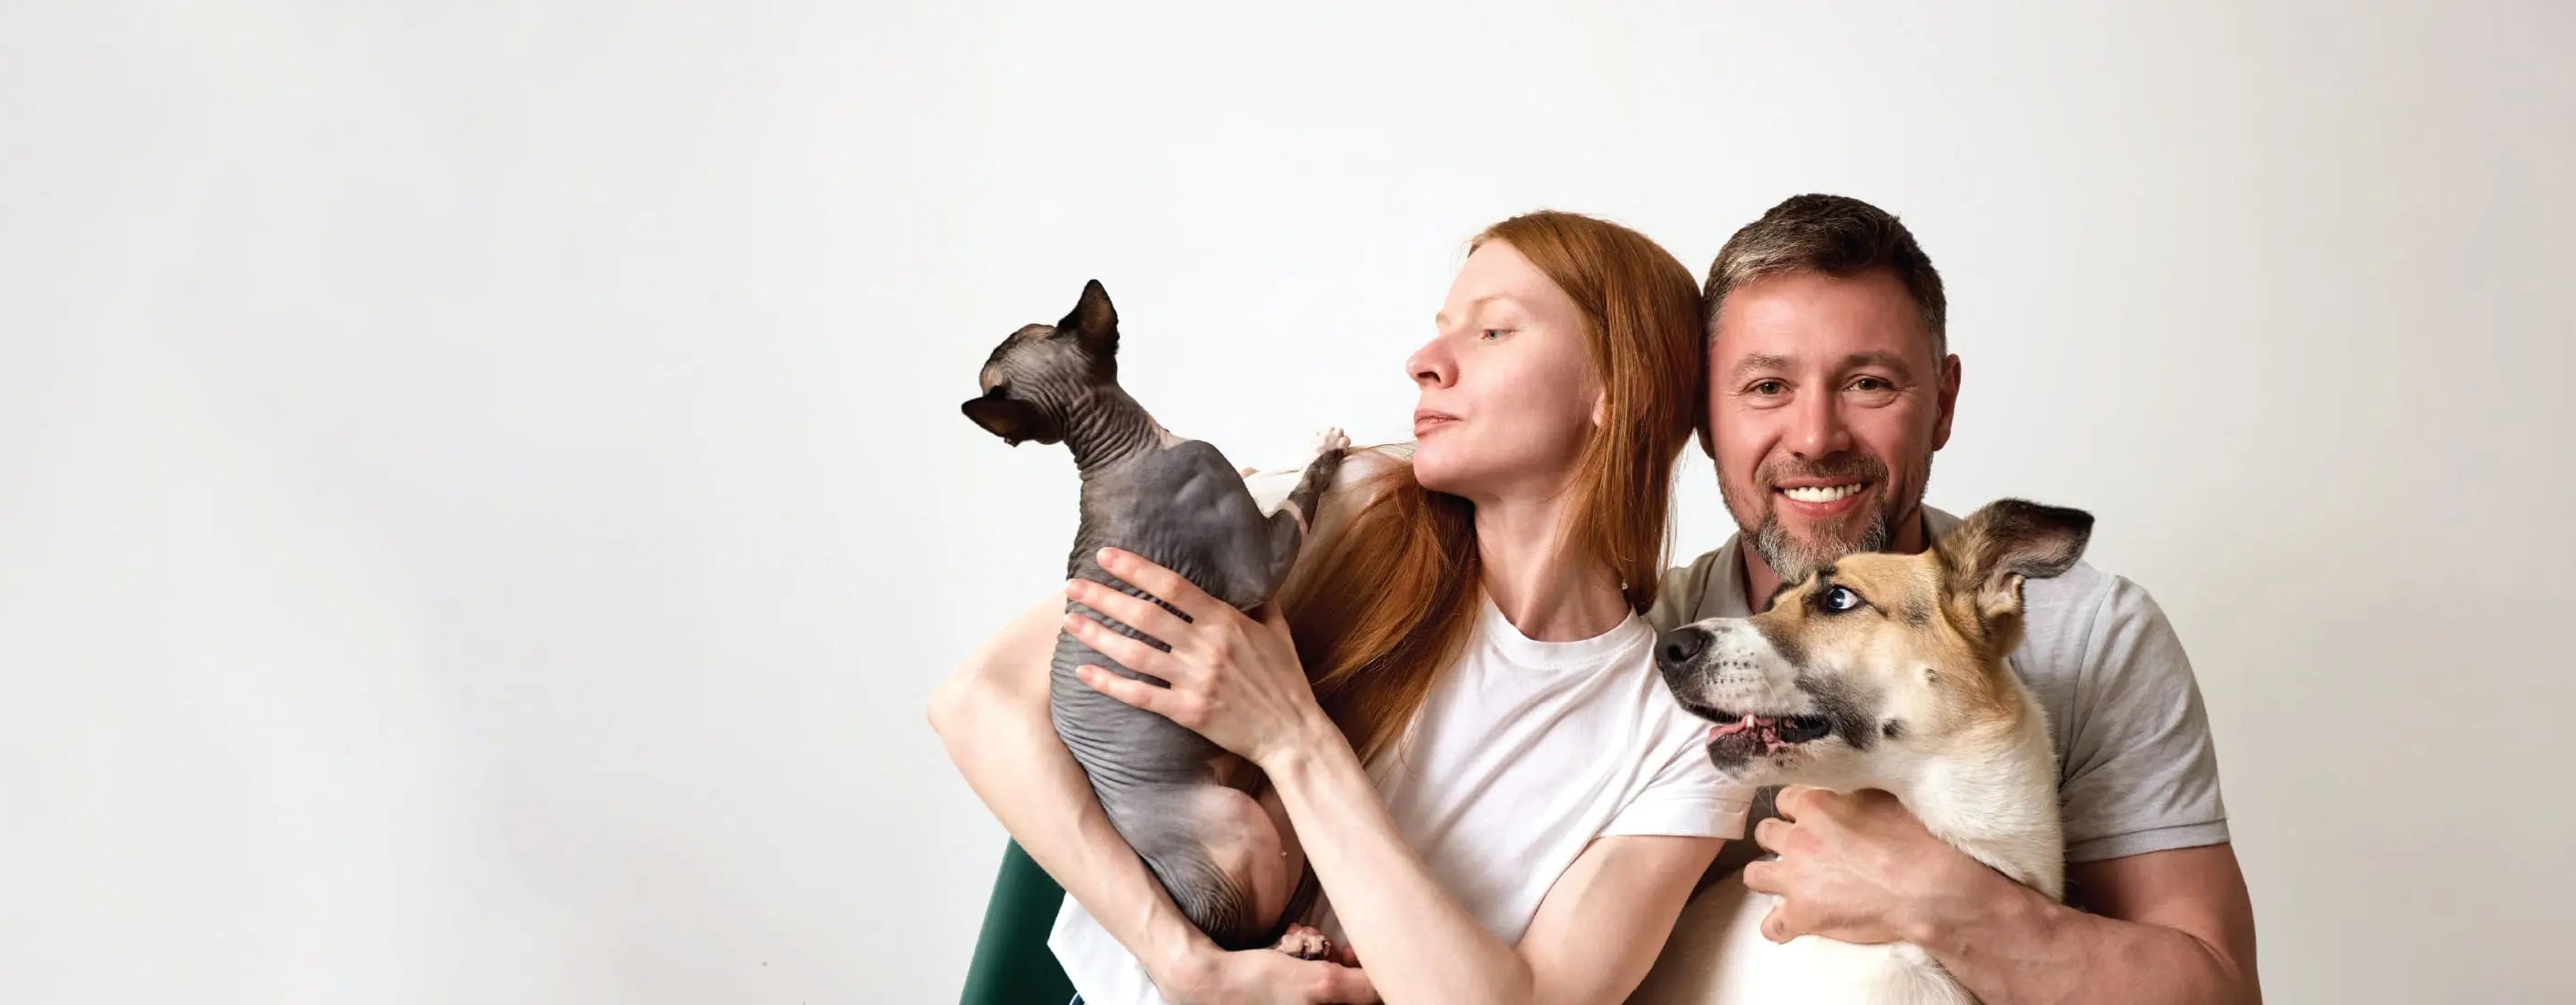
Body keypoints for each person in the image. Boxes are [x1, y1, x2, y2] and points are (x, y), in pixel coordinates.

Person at [928, 210, 1755, 1005]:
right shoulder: (1338, 505)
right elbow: (980, 702)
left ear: (1618, 388)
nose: (1425, 360)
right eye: (1440, 326)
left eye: (1493, 331)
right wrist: (1182, 965)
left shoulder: (1677, 738)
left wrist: (1293, 740)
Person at [1647, 193, 2262, 1002]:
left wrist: (1944, 900)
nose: (1815, 437)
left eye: (1868, 383)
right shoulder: (1640, 638)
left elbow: (2216, 992)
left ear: (1943, 401)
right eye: (1766, 387)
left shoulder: (2092, 636)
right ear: (1703, 418)